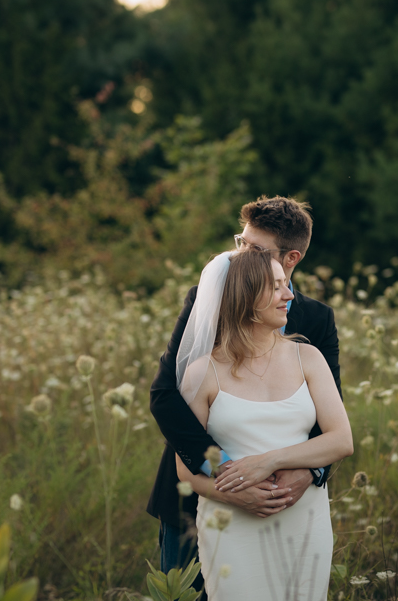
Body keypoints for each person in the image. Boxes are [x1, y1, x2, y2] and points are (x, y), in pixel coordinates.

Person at [146, 197, 344, 595]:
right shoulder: (206, 299)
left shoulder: (315, 320)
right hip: (196, 489)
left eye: (254, 249)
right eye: (242, 241)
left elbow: (331, 420)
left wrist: (310, 472)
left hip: (291, 499)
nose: (239, 254)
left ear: (291, 258)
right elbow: (165, 394)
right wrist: (228, 477)